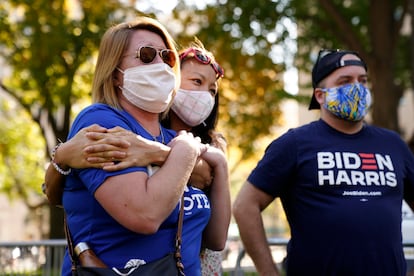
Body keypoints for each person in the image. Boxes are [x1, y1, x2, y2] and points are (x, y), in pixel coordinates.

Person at [44, 33, 230, 275]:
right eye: (146, 55)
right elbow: (145, 215)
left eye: (167, 58)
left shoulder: (179, 140)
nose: (161, 66)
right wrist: (61, 155)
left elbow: (216, 239)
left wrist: (175, 153)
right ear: (113, 72)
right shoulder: (104, 122)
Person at [233, 49, 414, 276]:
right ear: (321, 95)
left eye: (363, 80)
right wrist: (268, 272)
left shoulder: (393, 145)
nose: (357, 87)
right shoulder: (294, 144)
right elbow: (244, 206)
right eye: (345, 81)